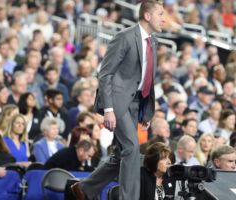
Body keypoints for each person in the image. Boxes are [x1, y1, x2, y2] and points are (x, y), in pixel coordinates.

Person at [70, 1, 165, 199]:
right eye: (160, 14)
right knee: (131, 148)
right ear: (147, 16)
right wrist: (109, 109)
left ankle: (85, 188)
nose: (164, 19)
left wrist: (146, 110)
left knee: (121, 153)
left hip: (137, 103)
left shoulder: (152, 41)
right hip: (118, 102)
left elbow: (146, 78)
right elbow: (105, 75)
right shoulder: (124, 37)